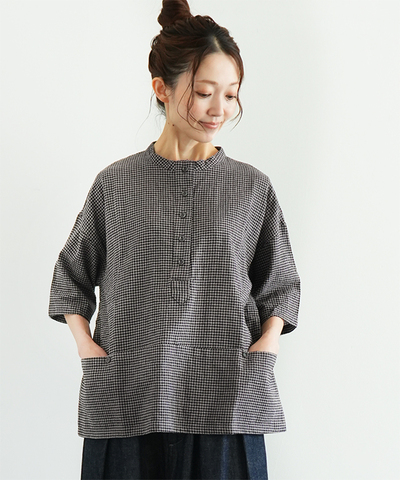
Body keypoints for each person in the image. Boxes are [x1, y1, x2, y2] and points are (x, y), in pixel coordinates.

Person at [48, 0, 301, 478]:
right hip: (128, 396)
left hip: (227, 400)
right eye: (204, 93)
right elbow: (70, 277)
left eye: (231, 95)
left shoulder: (252, 187)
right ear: (161, 88)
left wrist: (266, 345)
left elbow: (282, 285)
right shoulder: (115, 185)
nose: (219, 109)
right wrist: (87, 346)